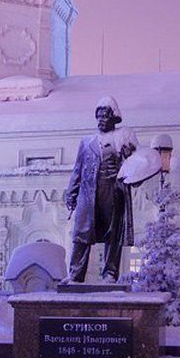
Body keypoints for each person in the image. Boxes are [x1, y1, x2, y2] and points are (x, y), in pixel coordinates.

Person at [63, 96, 139, 283]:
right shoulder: (87, 142)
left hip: (113, 195)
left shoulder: (122, 140)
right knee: (81, 235)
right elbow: (78, 169)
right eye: (99, 117)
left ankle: (110, 274)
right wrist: (71, 194)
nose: (101, 120)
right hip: (88, 196)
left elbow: (135, 168)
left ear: (114, 118)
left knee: (112, 236)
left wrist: (128, 155)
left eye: (105, 116)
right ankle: (75, 275)